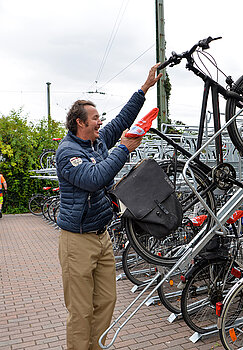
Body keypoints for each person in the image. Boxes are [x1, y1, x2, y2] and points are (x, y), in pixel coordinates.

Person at [56, 63, 162, 350]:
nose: (100, 122)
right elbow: (94, 179)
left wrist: (145, 88)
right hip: (76, 242)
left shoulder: (98, 140)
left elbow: (123, 118)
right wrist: (124, 148)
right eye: (94, 118)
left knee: (106, 300)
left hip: (101, 237)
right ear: (80, 122)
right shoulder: (68, 152)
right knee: (81, 312)